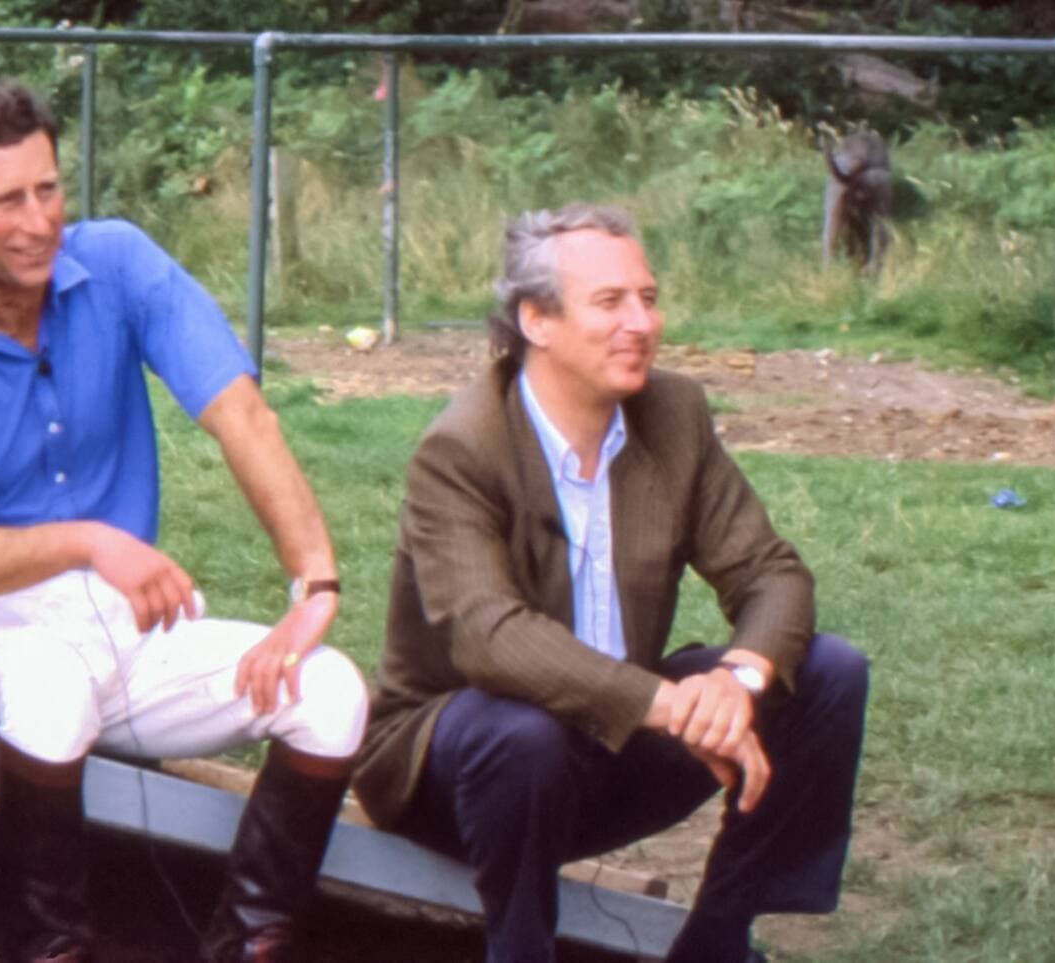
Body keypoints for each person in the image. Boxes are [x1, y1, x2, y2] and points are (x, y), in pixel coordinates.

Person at [0, 80, 368, 963]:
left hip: (126, 631)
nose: (39, 220)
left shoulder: (120, 264)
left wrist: (313, 581)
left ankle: (247, 942)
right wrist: (88, 540)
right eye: (8, 200)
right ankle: (52, 947)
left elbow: (241, 415)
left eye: (49, 189)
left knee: (331, 693)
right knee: (53, 689)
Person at [352, 203, 869, 963]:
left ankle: (718, 940)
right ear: (536, 319)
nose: (642, 323)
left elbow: (771, 572)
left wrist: (736, 681)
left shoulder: (673, 414)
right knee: (520, 730)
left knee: (827, 671)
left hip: (608, 745)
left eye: (649, 298)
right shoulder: (462, 447)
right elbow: (492, 640)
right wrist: (668, 705)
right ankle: (519, 948)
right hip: (458, 770)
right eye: (610, 302)